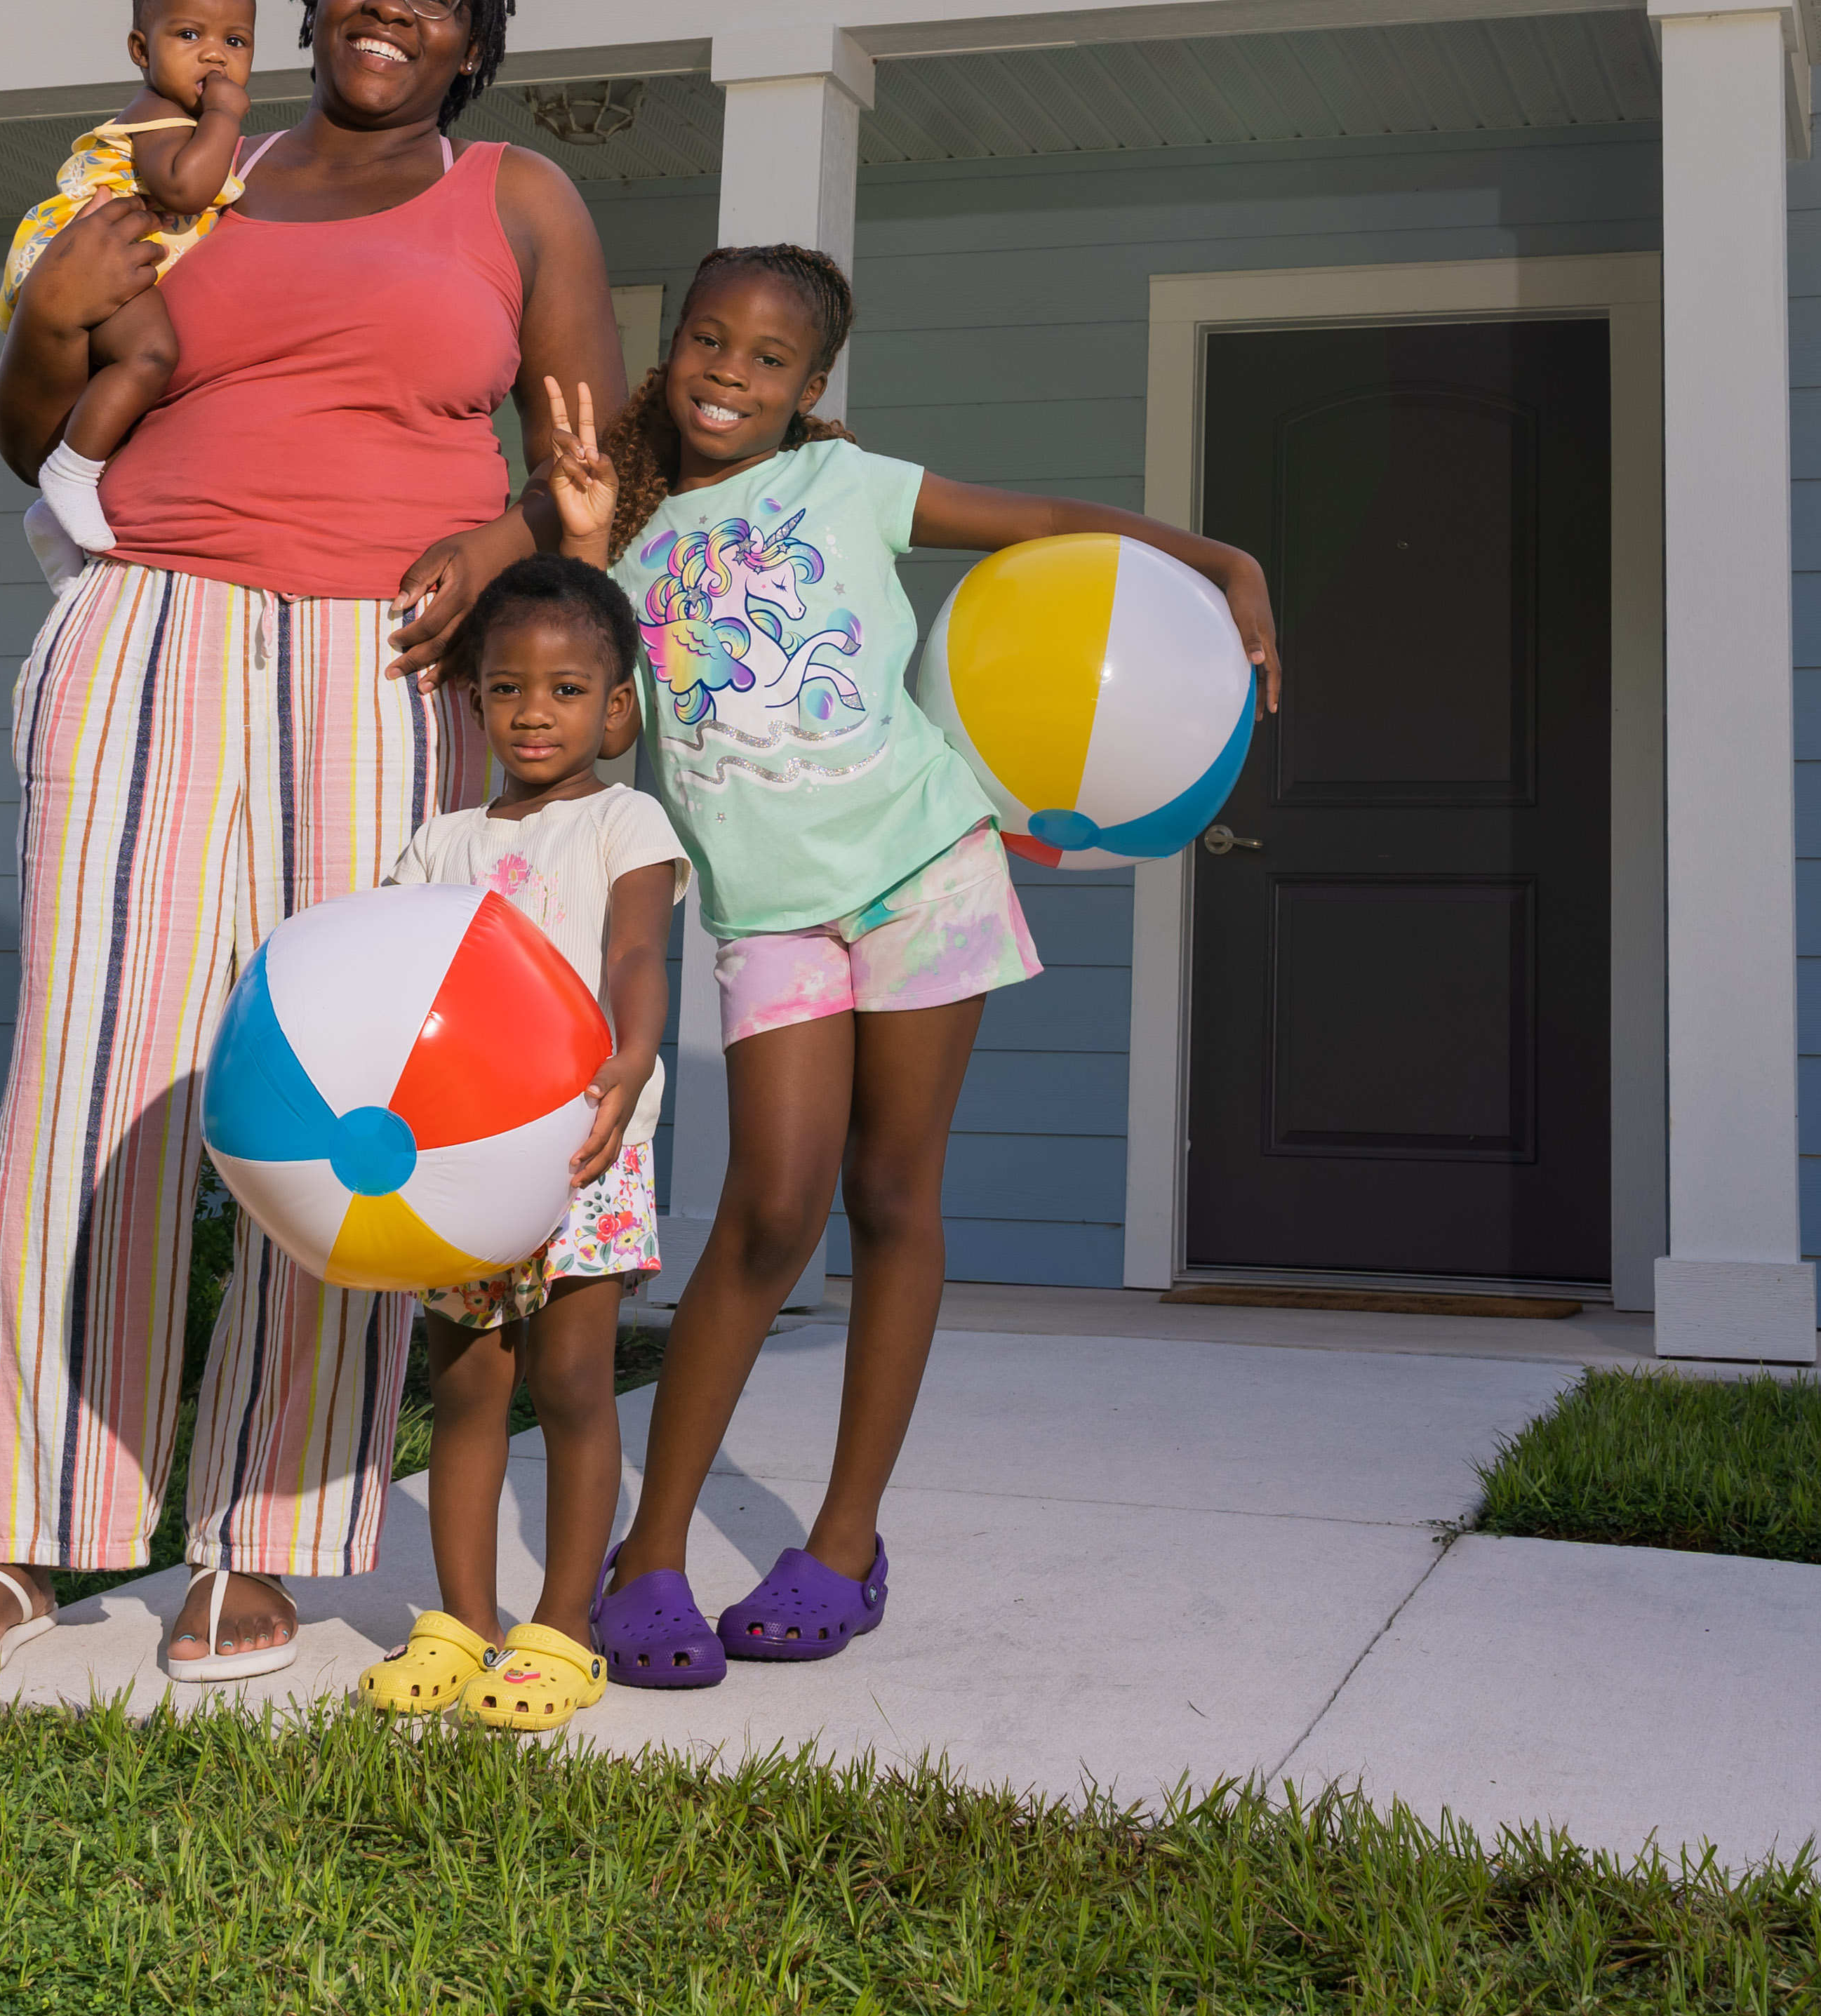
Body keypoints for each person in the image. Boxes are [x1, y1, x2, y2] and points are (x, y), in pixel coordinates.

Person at [0, 0, 622, 1695]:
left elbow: (596, 462)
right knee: (86, 1073)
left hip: (383, 662)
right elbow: (36, 430)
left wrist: (499, 535)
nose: (393, 9)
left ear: (475, 38)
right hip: (151, 629)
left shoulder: (515, 198)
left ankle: (267, 1536)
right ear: (311, 2)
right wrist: (46, 325)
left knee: (336, 1086)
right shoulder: (181, 175)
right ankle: (22, 1529)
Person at [524, 244, 1281, 1684]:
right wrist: (573, 549)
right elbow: (602, 729)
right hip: (769, 913)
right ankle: (654, 1551)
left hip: (927, 866)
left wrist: (1222, 559)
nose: (727, 374)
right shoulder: (620, 540)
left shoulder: (850, 483)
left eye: (765, 357)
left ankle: (847, 1540)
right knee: (768, 1205)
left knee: (889, 1195)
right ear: (670, 349)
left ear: (812, 387)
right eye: (706, 340)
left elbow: (1049, 522)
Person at [353, 552, 683, 1734]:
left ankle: (562, 1628)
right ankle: (458, 1618)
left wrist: (632, 1054)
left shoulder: (622, 816)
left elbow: (637, 953)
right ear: (475, 700)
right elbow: (391, 984)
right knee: (465, 1384)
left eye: (562, 687)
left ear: (614, 705)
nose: (532, 710)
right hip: (452, 1164)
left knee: (571, 1380)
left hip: (581, 1147)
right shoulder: (438, 842)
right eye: (505, 687)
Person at [0, 0, 259, 573]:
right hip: (94, 253)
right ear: (141, 49)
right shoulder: (161, 116)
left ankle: (53, 513)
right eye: (189, 35)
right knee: (152, 353)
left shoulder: (182, 120)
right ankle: (69, 471)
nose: (215, 57)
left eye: (235, 41)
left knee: (130, 380)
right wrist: (227, 115)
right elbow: (185, 187)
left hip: (122, 263)